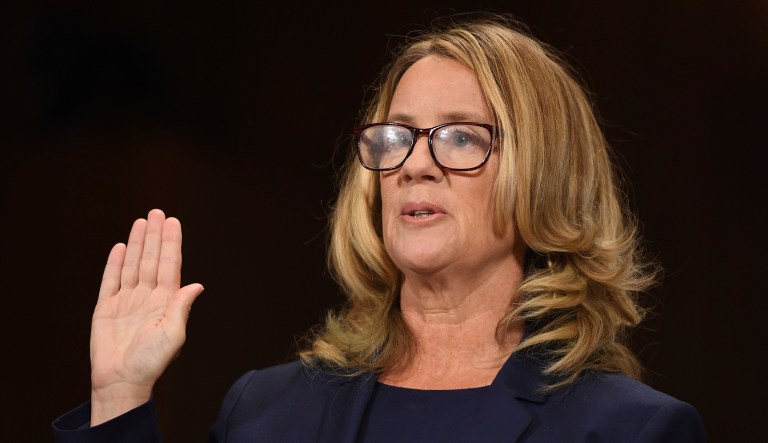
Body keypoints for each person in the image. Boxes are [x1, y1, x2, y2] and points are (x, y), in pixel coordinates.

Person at [52, 13, 706, 442]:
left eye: (458, 136)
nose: (415, 164)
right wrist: (120, 396)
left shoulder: (629, 429)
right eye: (397, 136)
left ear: (546, 173)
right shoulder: (265, 411)